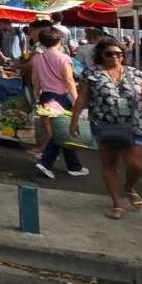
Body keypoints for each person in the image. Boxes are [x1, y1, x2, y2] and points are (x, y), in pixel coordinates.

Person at [71, 38, 142, 220]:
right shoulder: (92, 74)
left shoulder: (136, 74)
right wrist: (75, 119)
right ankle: (117, 203)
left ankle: (129, 186)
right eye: (109, 53)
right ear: (101, 56)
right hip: (104, 124)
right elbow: (82, 97)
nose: (114, 57)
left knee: (136, 165)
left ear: (123, 55)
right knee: (109, 163)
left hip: (134, 125)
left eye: (118, 53)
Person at [31, 28, 88, 179]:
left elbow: (36, 81)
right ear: (59, 41)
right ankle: (46, 163)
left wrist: (36, 97)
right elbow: (69, 81)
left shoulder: (37, 58)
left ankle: (74, 166)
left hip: (45, 96)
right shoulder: (64, 58)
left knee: (62, 131)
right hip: (61, 98)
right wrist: (76, 100)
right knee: (60, 132)